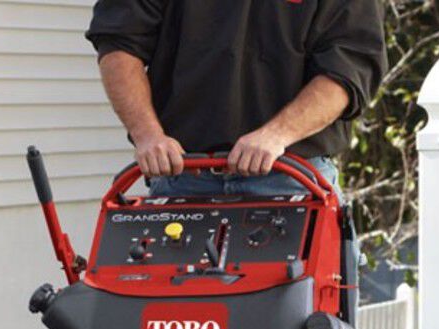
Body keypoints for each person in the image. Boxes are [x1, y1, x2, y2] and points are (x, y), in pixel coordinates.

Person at [86, 0, 387, 197]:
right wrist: (147, 135)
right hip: (184, 177)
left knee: (309, 295)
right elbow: (119, 45)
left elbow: (349, 66)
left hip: (292, 179)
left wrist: (276, 135)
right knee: (168, 297)